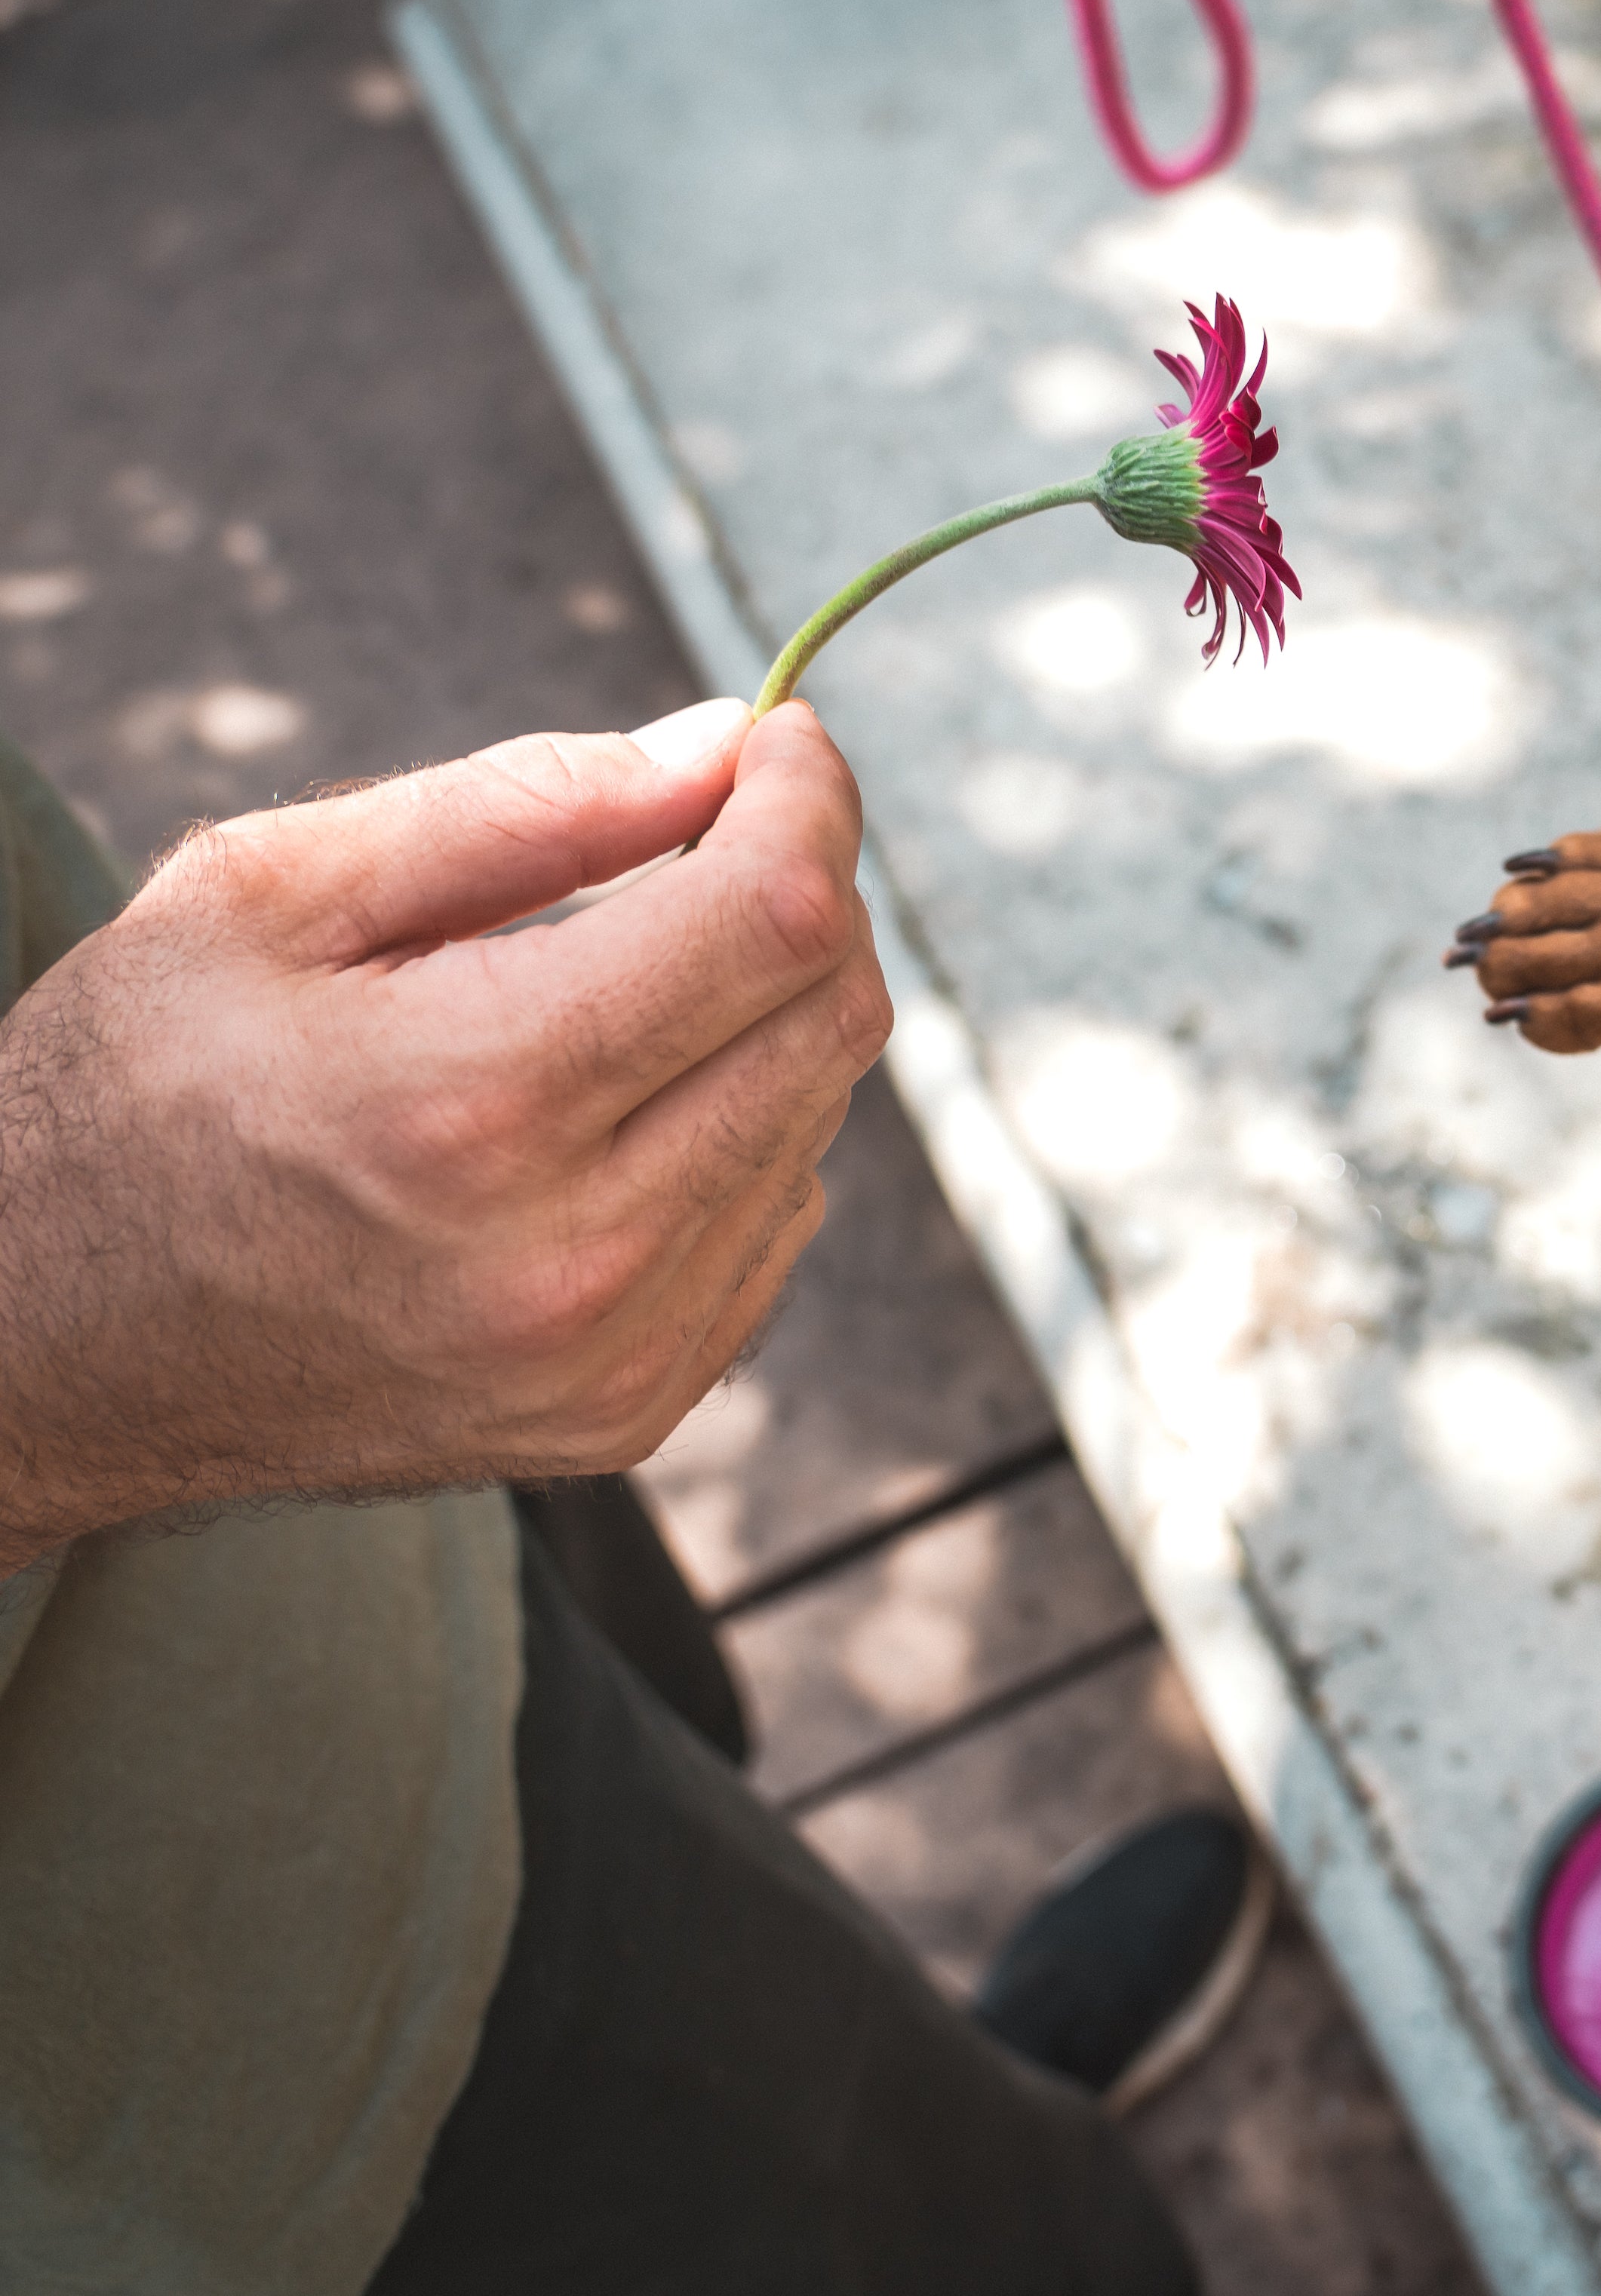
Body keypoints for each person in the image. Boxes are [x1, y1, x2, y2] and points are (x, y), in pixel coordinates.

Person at [0, 703, 1248, 2293]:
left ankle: (915, 2070)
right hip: (237, 2120)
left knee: (792, 1989)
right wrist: (57, 1305)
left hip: (371, 1448)